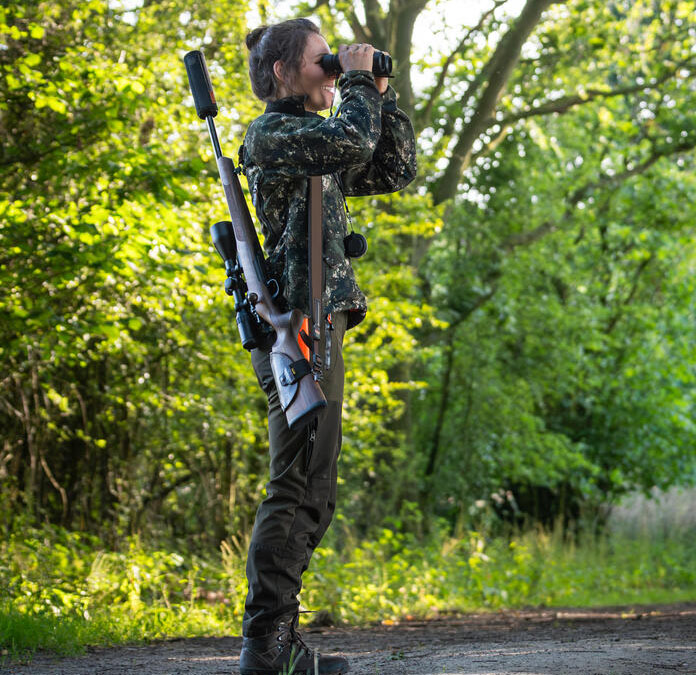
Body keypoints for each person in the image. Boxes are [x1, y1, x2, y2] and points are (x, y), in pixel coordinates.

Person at [237, 17, 417, 675]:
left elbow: (393, 166)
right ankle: (267, 647)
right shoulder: (274, 133)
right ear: (283, 72)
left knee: (314, 484)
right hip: (296, 326)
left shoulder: (317, 139)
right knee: (297, 482)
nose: (332, 72)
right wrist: (361, 82)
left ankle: (280, 643)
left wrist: (381, 89)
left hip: (321, 322)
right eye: (322, 62)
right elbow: (350, 133)